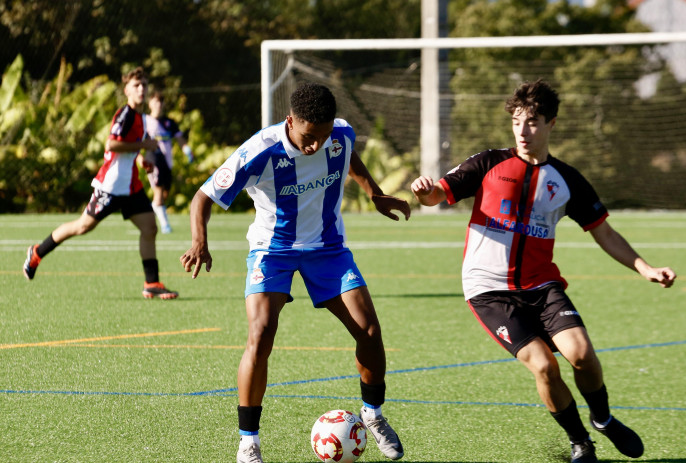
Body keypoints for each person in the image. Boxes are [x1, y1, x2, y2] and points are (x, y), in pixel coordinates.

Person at [410, 79, 676, 463]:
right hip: (489, 290)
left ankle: (602, 418)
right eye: (517, 121)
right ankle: (580, 441)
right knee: (544, 365)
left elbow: (604, 232)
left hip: (541, 285)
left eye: (532, 121)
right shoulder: (489, 163)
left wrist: (645, 268)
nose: (523, 130)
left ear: (551, 123)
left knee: (582, 355)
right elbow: (438, 193)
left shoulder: (567, 179)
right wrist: (424, 193)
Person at [180, 82, 410, 463]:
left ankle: (373, 414)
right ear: (290, 121)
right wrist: (198, 241)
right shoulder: (261, 150)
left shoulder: (341, 133)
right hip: (273, 250)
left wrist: (374, 192)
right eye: (308, 137)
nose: (315, 146)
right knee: (261, 332)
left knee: (369, 330)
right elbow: (203, 196)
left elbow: (348, 156)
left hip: (327, 248)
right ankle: (248, 441)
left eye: (322, 137)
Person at [23, 67, 179, 300]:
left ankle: (152, 282)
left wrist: (146, 160)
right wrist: (143, 147)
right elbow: (111, 145)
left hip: (131, 186)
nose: (141, 89)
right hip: (112, 185)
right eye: (137, 85)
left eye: (144, 84)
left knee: (150, 228)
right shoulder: (125, 115)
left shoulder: (142, 118)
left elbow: (137, 146)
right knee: (82, 227)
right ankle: (37, 252)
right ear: (126, 90)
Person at [144, 89, 194, 234]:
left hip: (167, 162)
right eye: (155, 101)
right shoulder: (146, 121)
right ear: (150, 104)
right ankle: (165, 225)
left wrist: (187, 150)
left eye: (161, 101)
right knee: (158, 192)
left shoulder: (169, 123)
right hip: (153, 160)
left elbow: (180, 139)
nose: (158, 104)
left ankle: (147, 216)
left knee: (165, 194)